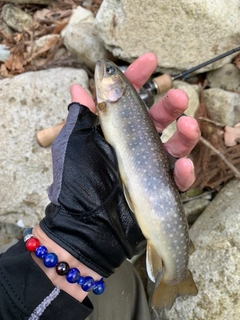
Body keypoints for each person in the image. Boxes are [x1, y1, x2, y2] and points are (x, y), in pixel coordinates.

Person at [0, 53, 200, 320]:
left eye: (108, 72)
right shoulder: (109, 103)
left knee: (125, 278)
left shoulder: (109, 105)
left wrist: (72, 240)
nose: (101, 71)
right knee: (124, 282)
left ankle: (176, 274)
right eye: (110, 71)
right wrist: (75, 237)